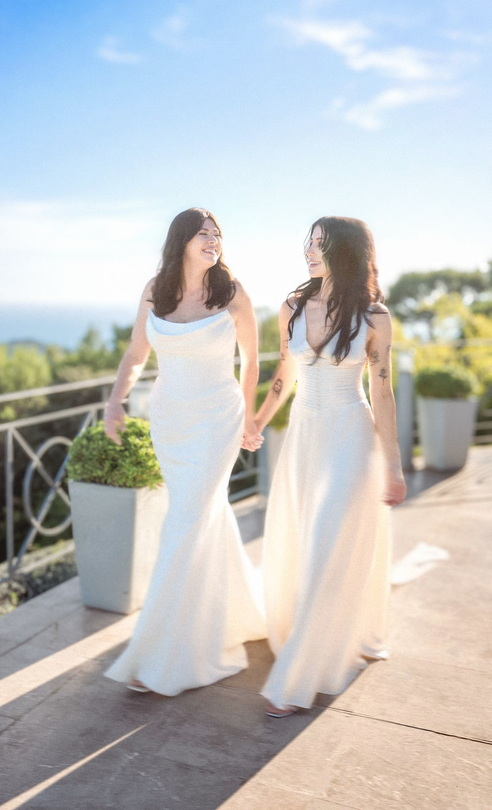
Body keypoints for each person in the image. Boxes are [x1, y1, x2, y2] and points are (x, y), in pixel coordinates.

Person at [103, 207, 266, 696]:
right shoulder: (156, 289)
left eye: (218, 234)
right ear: (181, 240)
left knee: (185, 520)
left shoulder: (231, 291)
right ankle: (236, 613)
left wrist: (251, 417)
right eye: (203, 234)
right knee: (200, 516)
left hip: (218, 420)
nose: (213, 240)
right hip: (170, 422)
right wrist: (115, 403)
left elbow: (253, 360)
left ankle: (160, 648)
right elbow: (136, 352)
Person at [255, 216, 406, 717]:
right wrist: (256, 422)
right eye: (309, 242)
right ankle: (319, 638)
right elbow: (284, 373)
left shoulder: (375, 317)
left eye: (320, 244)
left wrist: (394, 466)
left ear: (347, 252)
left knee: (325, 544)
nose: (309, 251)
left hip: (350, 438)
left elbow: (381, 391)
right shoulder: (292, 307)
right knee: (304, 542)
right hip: (303, 438)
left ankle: (296, 679)